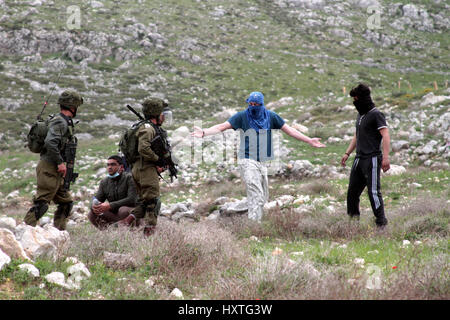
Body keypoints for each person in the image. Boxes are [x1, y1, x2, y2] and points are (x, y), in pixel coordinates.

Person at [191, 91, 325, 222]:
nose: (253, 107)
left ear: (262, 104)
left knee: (263, 197)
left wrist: (309, 140)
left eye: (256, 104)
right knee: (256, 195)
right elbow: (222, 126)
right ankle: (254, 225)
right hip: (247, 160)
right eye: (251, 104)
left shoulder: (271, 116)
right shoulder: (242, 116)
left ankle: (232, 211)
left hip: (262, 162)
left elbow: (290, 130)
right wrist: (204, 132)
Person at [23, 90, 83, 230]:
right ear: (73, 106)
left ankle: (59, 234)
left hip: (56, 170)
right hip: (50, 167)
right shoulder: (60, 122)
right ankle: (25, 231)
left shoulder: (62, 121)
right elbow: (50, 143)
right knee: (42, 203)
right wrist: (60, 163)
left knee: (66, 203)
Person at [341, 83, 391, 228]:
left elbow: (386, 135)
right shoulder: (360, 115)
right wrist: (347, 153)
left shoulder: (376, 114)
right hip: (358, 159)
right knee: (352, 193)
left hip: (373, 159)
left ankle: (381, 224)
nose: (354, 102)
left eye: (356, 98)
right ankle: (353, 223)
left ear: (362, 98)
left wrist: (386, 158)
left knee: (373, 192)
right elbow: (357, 136)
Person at [119, 98, 169, 236]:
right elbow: (143, 149)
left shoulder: (145, 127)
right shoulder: (147, 128)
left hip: (140, 168)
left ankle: (124, 224)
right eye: (162, 114)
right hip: (144, 169)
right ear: (156, 114)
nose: (164, 117)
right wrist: (158, 160)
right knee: (153, 202)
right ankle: (149, 236)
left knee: (145, 202)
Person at [88, 155, 137, 230]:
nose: (110, 167)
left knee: (123, 210)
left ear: (121, 167)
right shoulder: (104, 182)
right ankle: (110, 232)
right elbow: (97, 198)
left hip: (131, 212)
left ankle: (130, 229)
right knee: (91, 214)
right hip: (115, 215)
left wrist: (110, 205)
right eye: (108, 165)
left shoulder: (129, 178)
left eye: (113, 164)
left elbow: (132, 199)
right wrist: (94, 206)